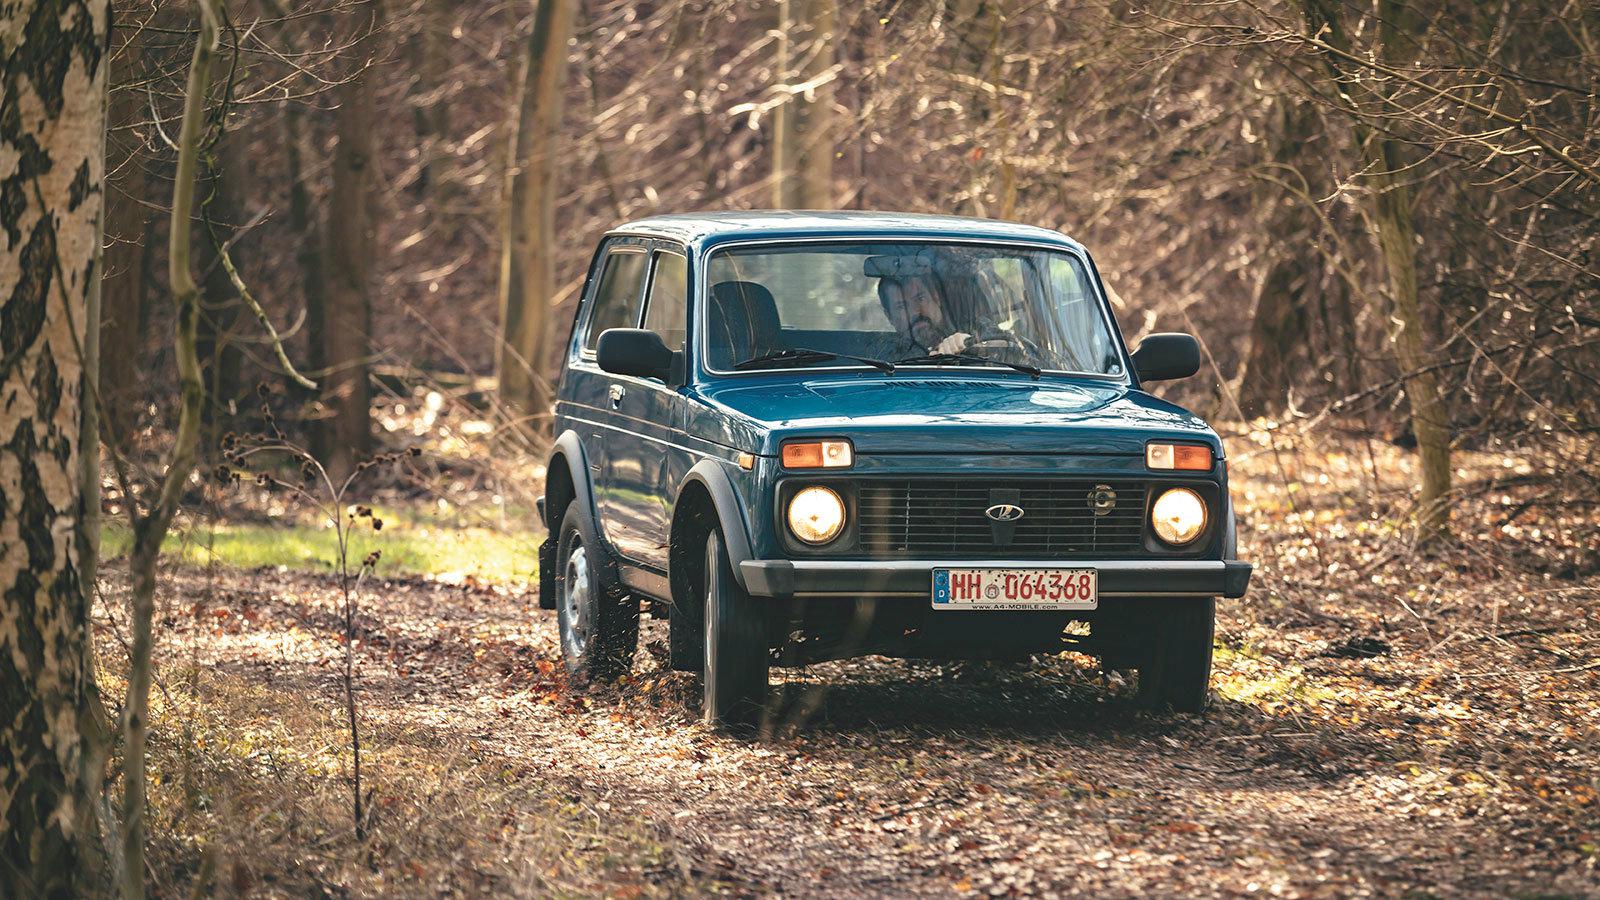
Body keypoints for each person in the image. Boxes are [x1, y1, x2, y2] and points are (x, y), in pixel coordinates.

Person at [877, 272, 976, 356]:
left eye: (920, 299)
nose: (915, 311)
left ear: (936, 298)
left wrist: (969, 346)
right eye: (901, 306)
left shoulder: (974, 330)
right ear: (889, 317)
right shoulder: (881, 359)